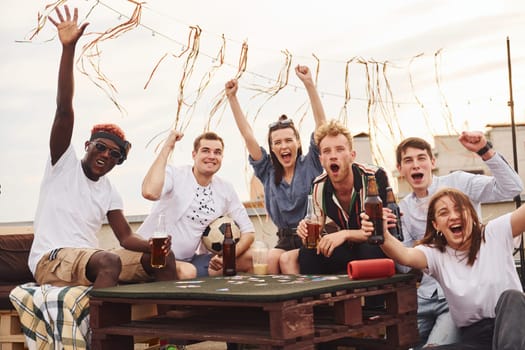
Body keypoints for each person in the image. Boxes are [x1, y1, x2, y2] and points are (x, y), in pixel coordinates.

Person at [28, 5, 177, 290]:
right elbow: (63, 110)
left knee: (162, 260)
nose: (106, 155)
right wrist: (68, 49)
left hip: (88, 260)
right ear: (87, 145)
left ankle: (168, 330)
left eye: (114, 154)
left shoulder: (109, 190)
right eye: (100, 147)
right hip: (52, 260)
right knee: (109, 261)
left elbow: (125, 238)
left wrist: (154, 246)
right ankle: (100, 333)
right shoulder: (63, 165)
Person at [396, 134, 523, 348]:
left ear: (432, 162)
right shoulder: (402, 210)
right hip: (426, 296)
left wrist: (485, 150)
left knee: (433, 344)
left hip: (458, 301)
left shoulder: (459, 183)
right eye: (408, 161)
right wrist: (381, 232)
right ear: (400, 169)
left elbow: (512, 188)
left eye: (421, 158)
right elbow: (404, 263)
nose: (416, 165)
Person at [362, 187, 525, 350]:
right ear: (436, 225)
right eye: (444, 212)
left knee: (512, 297)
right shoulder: (435, 253)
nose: (453, 216)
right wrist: (381, 233)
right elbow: (404, 255)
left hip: (515, 329)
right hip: (476, 339)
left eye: (459, 209)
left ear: (471, 214)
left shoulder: (493, 233)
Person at [225, 65, 327, 274]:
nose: (283, 146)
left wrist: (309, 84)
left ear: (298, 143)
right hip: (284, 239)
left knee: (287, 261)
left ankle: (303, 306)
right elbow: (248, 136)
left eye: (289, 140)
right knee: (270, 259)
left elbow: (322, 125)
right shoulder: (268, 171)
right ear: (272, 148)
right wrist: (232, 99)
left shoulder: (311, 164)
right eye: (277, 142)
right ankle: (280, 306)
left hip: (312, 237)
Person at [138, 130, 255, 279]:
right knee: (188, 271)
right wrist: (167, 146)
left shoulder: (225, 188)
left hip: (191, 260)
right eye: (205, 151)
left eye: (217, 152)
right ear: (194, 155)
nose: (212, 156)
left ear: (222, 157)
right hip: (154, 256)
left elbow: (249, 232)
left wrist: (227, 256)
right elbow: (150, 192)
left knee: (254, 257)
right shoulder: (175, 174)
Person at [295, 120, 390, 275]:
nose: (333, 156)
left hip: (377, 246)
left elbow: (377, 232)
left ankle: (375, 300)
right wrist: (306, 232)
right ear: (321, 160)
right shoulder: (318, 185)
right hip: (346, 250)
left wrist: (345, 234)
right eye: (326, 151)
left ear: (352, 155)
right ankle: (319, 299)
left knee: (369, 250)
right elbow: (317, 231)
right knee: (307, 253)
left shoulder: (374, 177)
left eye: (339, 150)